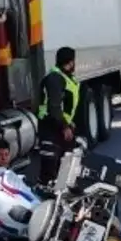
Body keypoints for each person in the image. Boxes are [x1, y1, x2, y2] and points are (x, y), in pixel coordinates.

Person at [36, 46, 79, 185]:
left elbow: (64, 106)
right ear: (71, 62)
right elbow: (54, 106)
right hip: (51, 127)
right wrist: (65, 126)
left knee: (66, 164)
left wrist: (69, 123)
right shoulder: (55, 78)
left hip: (57, 126)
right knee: (50, 169)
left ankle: (62, 192)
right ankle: (46, 197)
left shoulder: (63, 77)